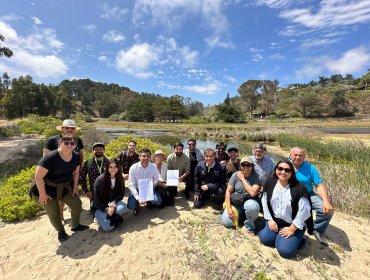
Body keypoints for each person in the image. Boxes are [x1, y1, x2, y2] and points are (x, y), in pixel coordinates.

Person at [32, 134, 89, 242]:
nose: (69, 145)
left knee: (77, 204)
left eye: (72, 143)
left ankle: (75, 226)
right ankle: (61, 232)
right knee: (54, 212)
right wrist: (43, 194)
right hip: (46, 188)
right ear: (60, 144)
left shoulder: (76, 156)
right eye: (66, 142)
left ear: (75, 145)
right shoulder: (50, 157)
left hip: (65, 187)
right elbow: (38, 177)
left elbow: (76, 173)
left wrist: (75, 187)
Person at [258, 160, 314, 258]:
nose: (283, 172)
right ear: (276, 170)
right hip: (275, 220)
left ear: (292, 172)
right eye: (280, 169)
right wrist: (270, 219)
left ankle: (299, 239)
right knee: (265, 239)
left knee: (285, 251)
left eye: (287, 170)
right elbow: (264, 200)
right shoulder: (270, 182)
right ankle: (279, 237)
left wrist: (292, 228)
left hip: (292, 223)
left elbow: (304, 211)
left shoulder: (299, 188)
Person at [289, 147, 334, 246]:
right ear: (290, 155)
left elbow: (319, 185)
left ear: (304, 157)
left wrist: (326, 201)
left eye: (301, 155)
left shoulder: (310, 168)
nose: (298, 157)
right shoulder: (284, 165)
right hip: (288, 193)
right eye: (295, 155)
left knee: (327, 211)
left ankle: (317, 230)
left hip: (308, 193)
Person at [43, 119, 84, 222]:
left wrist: (80, 168)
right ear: (62, 129)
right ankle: (60, 213)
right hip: (55, 176)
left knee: (70, 192)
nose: (70, 130)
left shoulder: (78, 140)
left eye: (72, 128)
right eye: (67, 128)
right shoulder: (52, 141)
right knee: (57, 195)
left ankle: (70, 209)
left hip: (72, 173)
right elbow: (45, 158)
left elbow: (81, 155)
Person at [221, 157, 261, 235]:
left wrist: (242, 179)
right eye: (243, 165)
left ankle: (249, 226)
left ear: (252, 166)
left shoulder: (256, 176)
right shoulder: (235, 175)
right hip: (236, 202)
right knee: (226, 222)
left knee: (252, 206)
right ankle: (243, 215)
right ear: (240, 166)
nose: (245, 167)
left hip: (249, 201)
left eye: (248, 165)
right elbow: (228, 192)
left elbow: (252, 193)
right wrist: (229, 209)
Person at [91, 158, 126, 232]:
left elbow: (121, 193)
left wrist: (113, 203)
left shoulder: (120, 178)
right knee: (108, 228)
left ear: (118, 167)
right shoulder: (100, 180)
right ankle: (101, 217)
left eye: (115, 166)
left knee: (122, 208)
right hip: (99, 207)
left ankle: (111, 216)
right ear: (107, 168)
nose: (113, 169)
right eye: (110, 167)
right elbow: (95, 199)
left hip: (111, 202)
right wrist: (106, 209)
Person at [127, 149, 162, 215]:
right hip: (137, 190)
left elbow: (156, 179)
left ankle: (148, 202)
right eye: (143, 156)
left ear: (150, 157)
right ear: (139, 157)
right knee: (131, 206)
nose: (146, 158)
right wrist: (138, 198)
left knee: (158, 201)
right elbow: (131, 185)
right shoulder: (133, 168)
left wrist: (151, 184)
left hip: (149, 189)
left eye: (148, 156)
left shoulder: (153, 166)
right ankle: (136, 206)